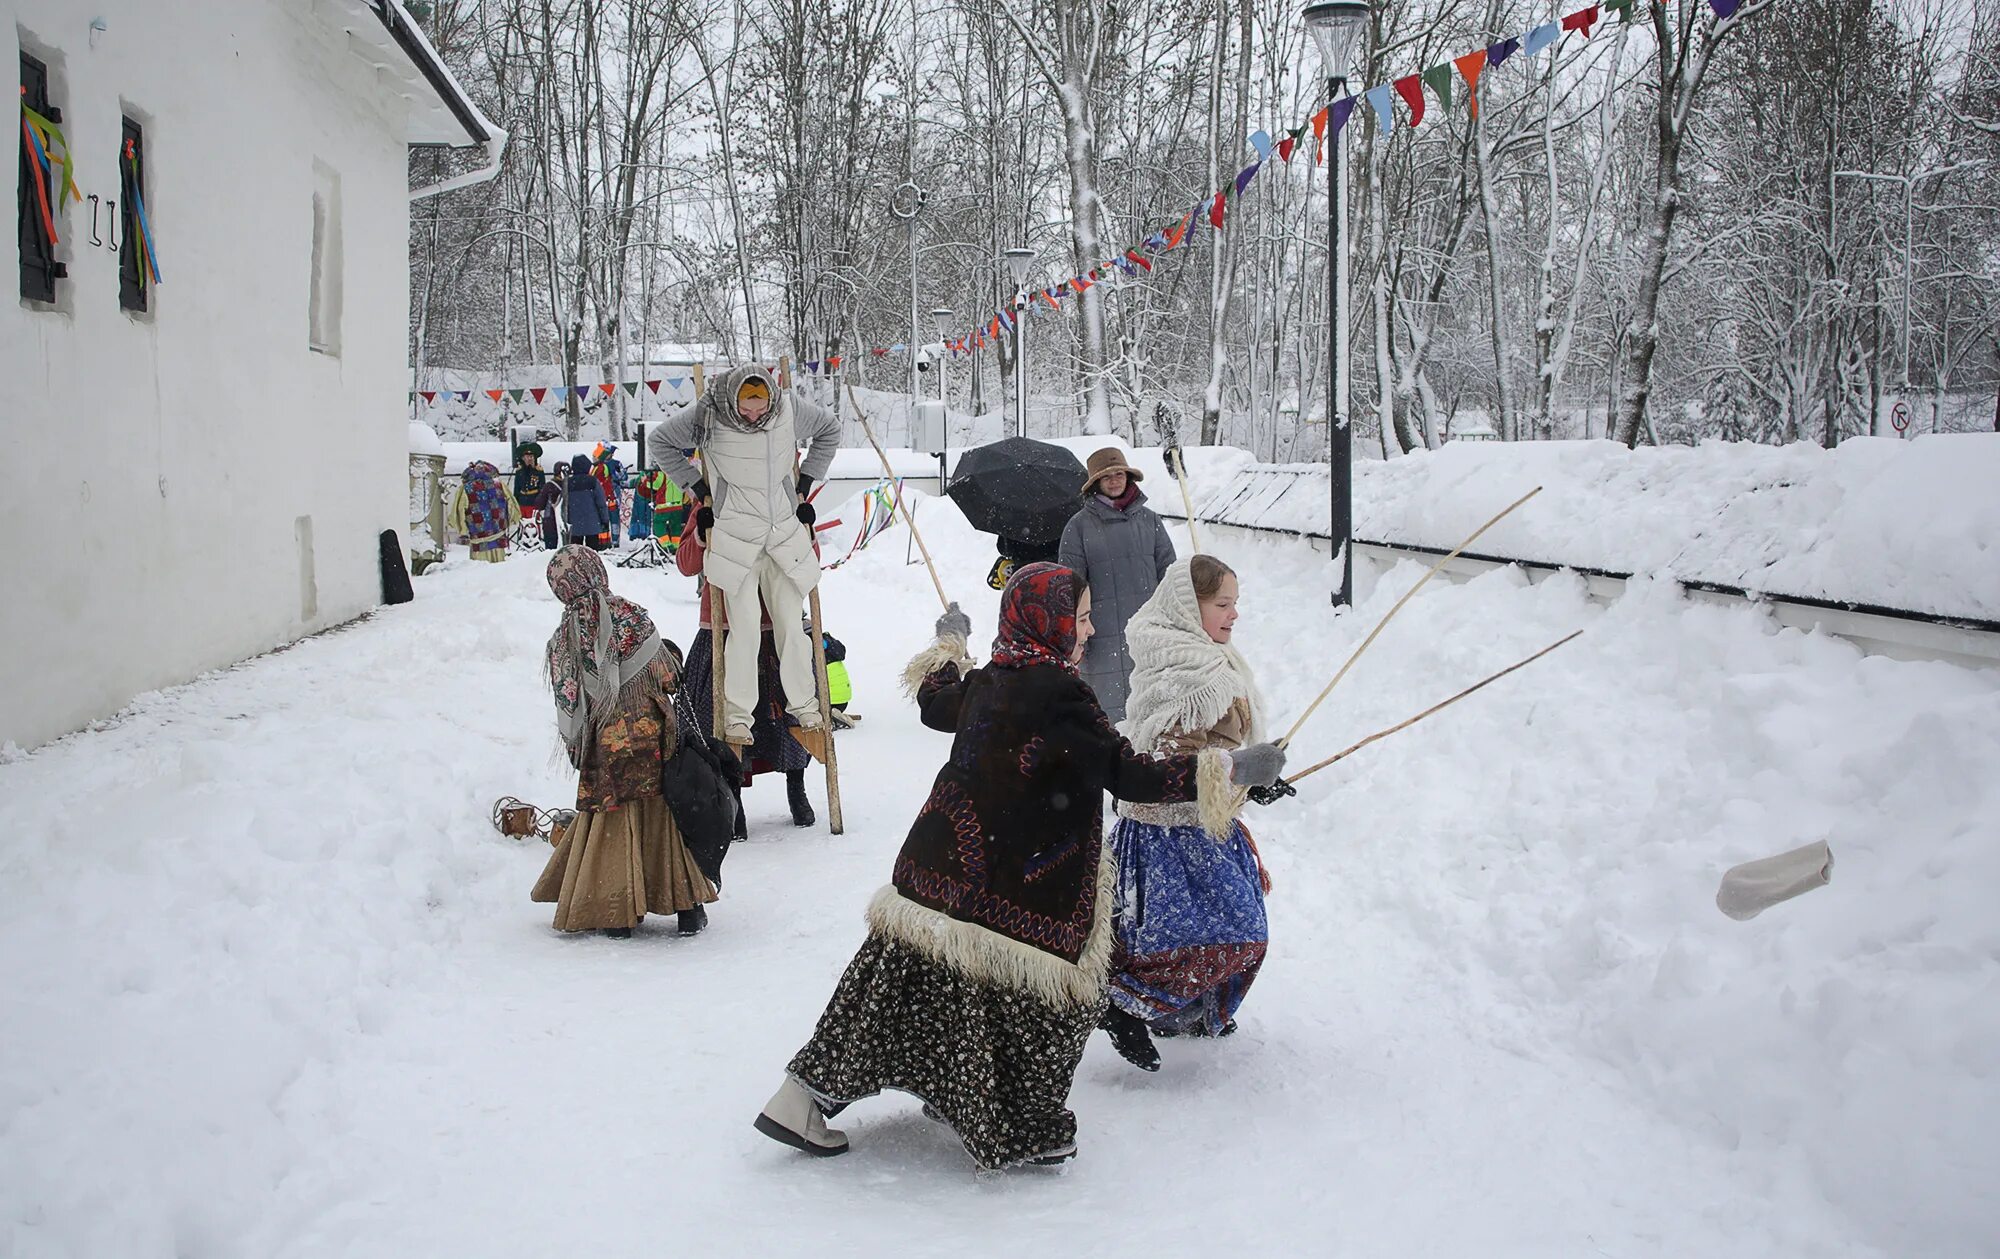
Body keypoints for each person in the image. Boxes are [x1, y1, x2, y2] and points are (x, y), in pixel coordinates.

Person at [753, 563, 1288, 1168]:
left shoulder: (994, 677)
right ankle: (1021, 1127)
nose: (1089, 631)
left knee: (892, 986)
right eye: (1081, 619)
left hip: (939, 868)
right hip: (1022, 888)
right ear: (1052, 624)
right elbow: (1130, 776)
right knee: (1052, 1006)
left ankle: (801, 1098)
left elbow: (933, 703)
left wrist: (950, 641)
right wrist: (1234, 769)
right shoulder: (1062, 694)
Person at [1100, 555, 1272, 1071]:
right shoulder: (1187, 672)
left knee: (1186, 933)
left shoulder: (1208, 656)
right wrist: (1238, 769)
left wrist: (1255, 778)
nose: (1234, 614)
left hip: (1205, 823)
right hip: (1171, 834)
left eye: (1235, 602)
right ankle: (1124, 1005)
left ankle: (1185, 1013)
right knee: (1231, 930)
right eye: (1222, 604)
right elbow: (1167, 766)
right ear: (1186, 607)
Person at [646, 366, 841, 753]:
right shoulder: (709, 411)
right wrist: (698, 490)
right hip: (734, 535)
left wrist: (803, 486)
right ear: (733, 400)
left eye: (760, 407)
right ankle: (736, 717)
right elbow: (661, 441)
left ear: (771, 399)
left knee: (792, 624)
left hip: (783, 533)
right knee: (745, 629)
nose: (753, 416)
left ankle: (807, 709)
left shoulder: (788, 409)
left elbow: (830, 430)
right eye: (746, 408)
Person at [530, 547, 718, 937]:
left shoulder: (563, 638)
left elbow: (568, 702)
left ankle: (617, 911)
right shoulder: (631, 615)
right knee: (663, 819)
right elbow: (668, 676)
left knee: (613, 821)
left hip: (606, 746)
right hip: (651, 736)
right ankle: (686, 908)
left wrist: (578, 748)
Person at [676, 514, 819, 828]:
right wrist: (702, 532)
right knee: (720, 719)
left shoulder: (784, 497)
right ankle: (732, 796)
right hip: (723, 627)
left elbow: (809, 560)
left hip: (777, 630)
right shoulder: (711, 497)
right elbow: (686, 563)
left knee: (788, 716)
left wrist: (807, 531)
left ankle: (797, 788)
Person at [1058, 447, 1176, 722]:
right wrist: (1075, 634)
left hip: (1148, 635)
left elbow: (1169, 576)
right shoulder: (1078, 527)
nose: (1114, 480)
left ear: (1128, 477)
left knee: (1152, 712)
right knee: (1105, 717)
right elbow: (1069, 590)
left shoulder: (1150, 521)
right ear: (1095, 483)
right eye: (1106, 476)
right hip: (1100, 639)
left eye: (1119, 474)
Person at [449, 460, 519, 563]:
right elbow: (512, 507)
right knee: (500, 571)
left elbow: (458, 513)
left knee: (480, 571)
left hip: (478, 541)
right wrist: (509, 521)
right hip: (498, 537)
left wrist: (463, 530)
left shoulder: (465, 489)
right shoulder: (499, 485)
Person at [564, 454, 610, 549]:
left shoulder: (568, 482)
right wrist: (605, 520)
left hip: (574, 525)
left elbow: (564, 504)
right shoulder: (593, 481)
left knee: (575, 553)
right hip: (592, 524)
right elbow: (601, 503)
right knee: (592, 552)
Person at [591, 443, 629, 542]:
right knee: (605, 520)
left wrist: (619, 473)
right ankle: (606, 541)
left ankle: (614, 540)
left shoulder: (615, 464)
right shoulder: (598, 466)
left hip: (613, 494)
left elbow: (623, 478)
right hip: (605, 496)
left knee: (613, 519)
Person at [512, 443, 547, 543]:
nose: (529, 459)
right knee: (523, 522)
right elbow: (517, 488)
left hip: (534, 501)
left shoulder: (538, 471)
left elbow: (542, 487)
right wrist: (516, 502)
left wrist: (541, 502)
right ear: (523, 458)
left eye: (531, 456)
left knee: (534, 523)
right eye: (527, 457)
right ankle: (522, 538)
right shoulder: (519, 471)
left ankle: (536, 539)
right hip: (523, 501)